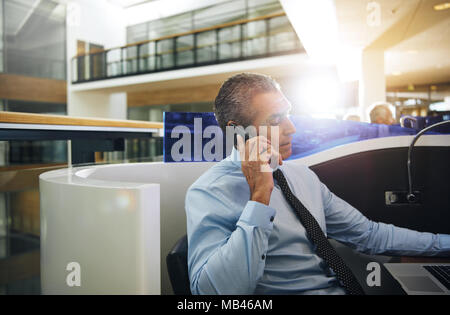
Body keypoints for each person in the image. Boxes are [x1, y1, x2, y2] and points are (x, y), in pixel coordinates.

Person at [185, 73, 449, 295]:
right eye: (275, 120)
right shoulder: (209, 191)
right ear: (238, 132)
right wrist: (260, 196)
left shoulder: (301, 177)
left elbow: (368, 234)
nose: (291, 128)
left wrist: (445, 244)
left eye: (288, 115)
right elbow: (212, 292)